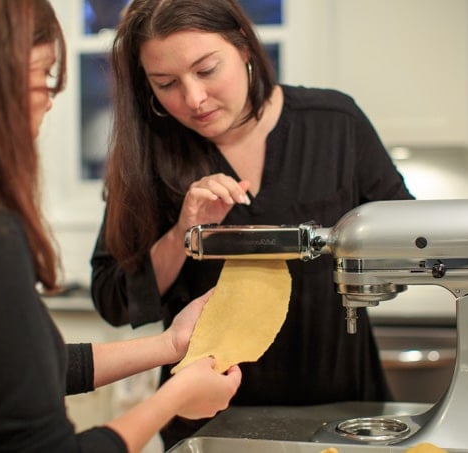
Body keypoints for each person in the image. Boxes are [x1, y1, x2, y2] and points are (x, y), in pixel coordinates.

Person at [0, 1, 241, 452]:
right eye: (42, 76)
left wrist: (170, 344)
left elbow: (20, 367)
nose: (48, 99)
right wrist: (174, 397)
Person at [91, 0, 414, 448]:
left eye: (206, 71)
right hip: (208, 424)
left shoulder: (335, 123)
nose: (193, 99)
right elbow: (113, 299)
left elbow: (406, 240)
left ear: (243, 45)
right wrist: (184, 232)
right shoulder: (147, 158)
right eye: (166, 84)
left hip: (342, 409)